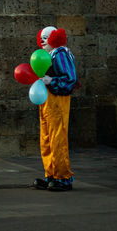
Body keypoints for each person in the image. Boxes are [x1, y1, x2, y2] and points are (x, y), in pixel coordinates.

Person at [33, 26, 77, 191]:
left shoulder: (61, 53)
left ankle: (63, 178)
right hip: (46, 101)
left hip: (57, 101)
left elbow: (70, 78)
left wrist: (51, 81)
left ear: (56, 38)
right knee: (46, 139)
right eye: (41, 37)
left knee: (57, 139)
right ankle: (50, 175)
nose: (43, 40)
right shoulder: (47, 55)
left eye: (47, 37)